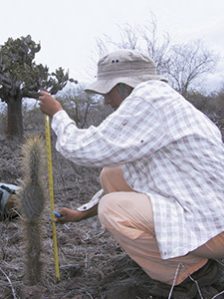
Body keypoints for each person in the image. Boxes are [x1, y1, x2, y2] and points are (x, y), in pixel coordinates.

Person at [39, 49, 224, 298]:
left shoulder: (148, 99)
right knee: (113, 173)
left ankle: (189, 273)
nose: (106, 100)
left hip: (214, 229)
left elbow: (86, 149)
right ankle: (183, 255)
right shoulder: (162, 99)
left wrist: (58, 115)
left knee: (112, 209)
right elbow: (117, 165)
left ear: (124, 86)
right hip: (207, 213)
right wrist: (82, 213)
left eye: (107, 92)